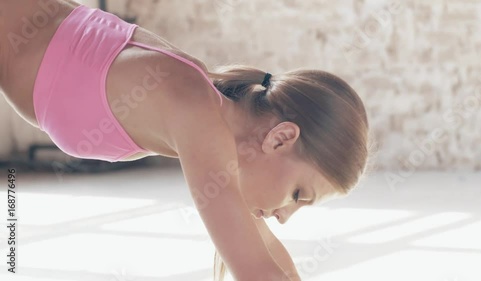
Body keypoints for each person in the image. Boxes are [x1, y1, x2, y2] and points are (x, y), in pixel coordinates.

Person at [0, 0, 371, 280]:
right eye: (297, 195)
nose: (285, 217)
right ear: (280, 139)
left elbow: (272, 259)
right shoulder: (199, 117)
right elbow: (258, 273)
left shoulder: (214, 124)